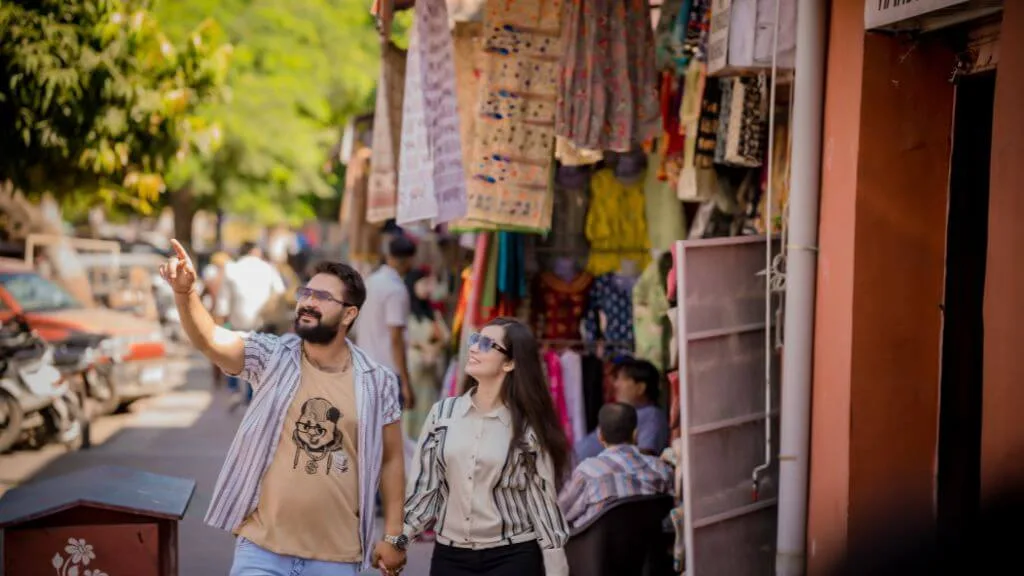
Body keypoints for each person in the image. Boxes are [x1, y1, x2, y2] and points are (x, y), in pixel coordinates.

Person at [158, 240, 409, 576]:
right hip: (261, 551)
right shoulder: (273, 356)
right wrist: (185, 294)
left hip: (336, 558)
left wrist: (394, 535)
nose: (307, 302)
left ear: (349, 313)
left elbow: (391, 460)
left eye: (322, 297)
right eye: (306, 293)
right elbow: (211, 339)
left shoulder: (378, 382)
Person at [404, 317, 572, 576]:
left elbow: (542, 501)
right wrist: (401, 538)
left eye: (486, 344)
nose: (473, 348)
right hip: (450, 556)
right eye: (474, 340)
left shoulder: (528, 426)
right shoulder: (443, 414)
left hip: (512, 557)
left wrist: (556, 566)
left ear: (510, 363)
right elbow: (426, 487)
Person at [558, 403, 674, 529]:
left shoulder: (586, 472)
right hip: (649, 547)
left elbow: (559, 514)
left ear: (600, 436)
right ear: (636, 434)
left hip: (595, 547)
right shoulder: (660, 469)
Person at [357, 235, 417, 409]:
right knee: (387, 432)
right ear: (409, 260)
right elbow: (396, 339)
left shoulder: (371, 281)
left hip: (365, 368)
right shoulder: (396, 290)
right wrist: (406, 383)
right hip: (387, 373)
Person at [574, 358, 669, 462]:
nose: (616, 385)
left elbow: (645, 457)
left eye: (621, 379)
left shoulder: (651, 416)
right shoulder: (627, 413)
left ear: (640, 388)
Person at [403, 268, 450, 440]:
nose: (427, 288)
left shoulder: (432, 312)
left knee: (426, 410)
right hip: (412, 367)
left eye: (429, 283)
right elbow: (402, 338)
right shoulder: (404, 311)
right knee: (409, 414)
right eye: (423, 283)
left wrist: (434, 349)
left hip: (429, 370)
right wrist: (424, 348)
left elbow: (445, 337)